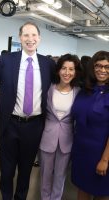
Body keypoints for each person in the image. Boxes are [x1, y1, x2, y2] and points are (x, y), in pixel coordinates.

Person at [0, 21, 56, 200]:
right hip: (10, 123)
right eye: (26, 35)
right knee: (6, 170)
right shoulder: (6, 60)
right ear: (20, 38)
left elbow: (65, 81)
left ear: (39, 38)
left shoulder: (47, 64)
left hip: (34, 126)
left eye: (33, 35)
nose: (30, 39)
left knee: (26, 170)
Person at [39, 54, 81, 200]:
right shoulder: (48, 89)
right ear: (58, 70)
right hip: (47, 137)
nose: (67, 72)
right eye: (64, 68)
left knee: (60, 175)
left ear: (75, 72)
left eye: (71, 69)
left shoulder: (79, 92)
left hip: (67, 140)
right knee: (45, 174)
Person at [71, 51, 109, 200]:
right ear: (92, 67)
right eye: (98, 66)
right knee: (82, 188)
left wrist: (105, 160)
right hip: (81, 151)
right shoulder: (84, 91)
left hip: (102, 152)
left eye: (107, 67)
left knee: (101, 192)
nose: (102, 70)